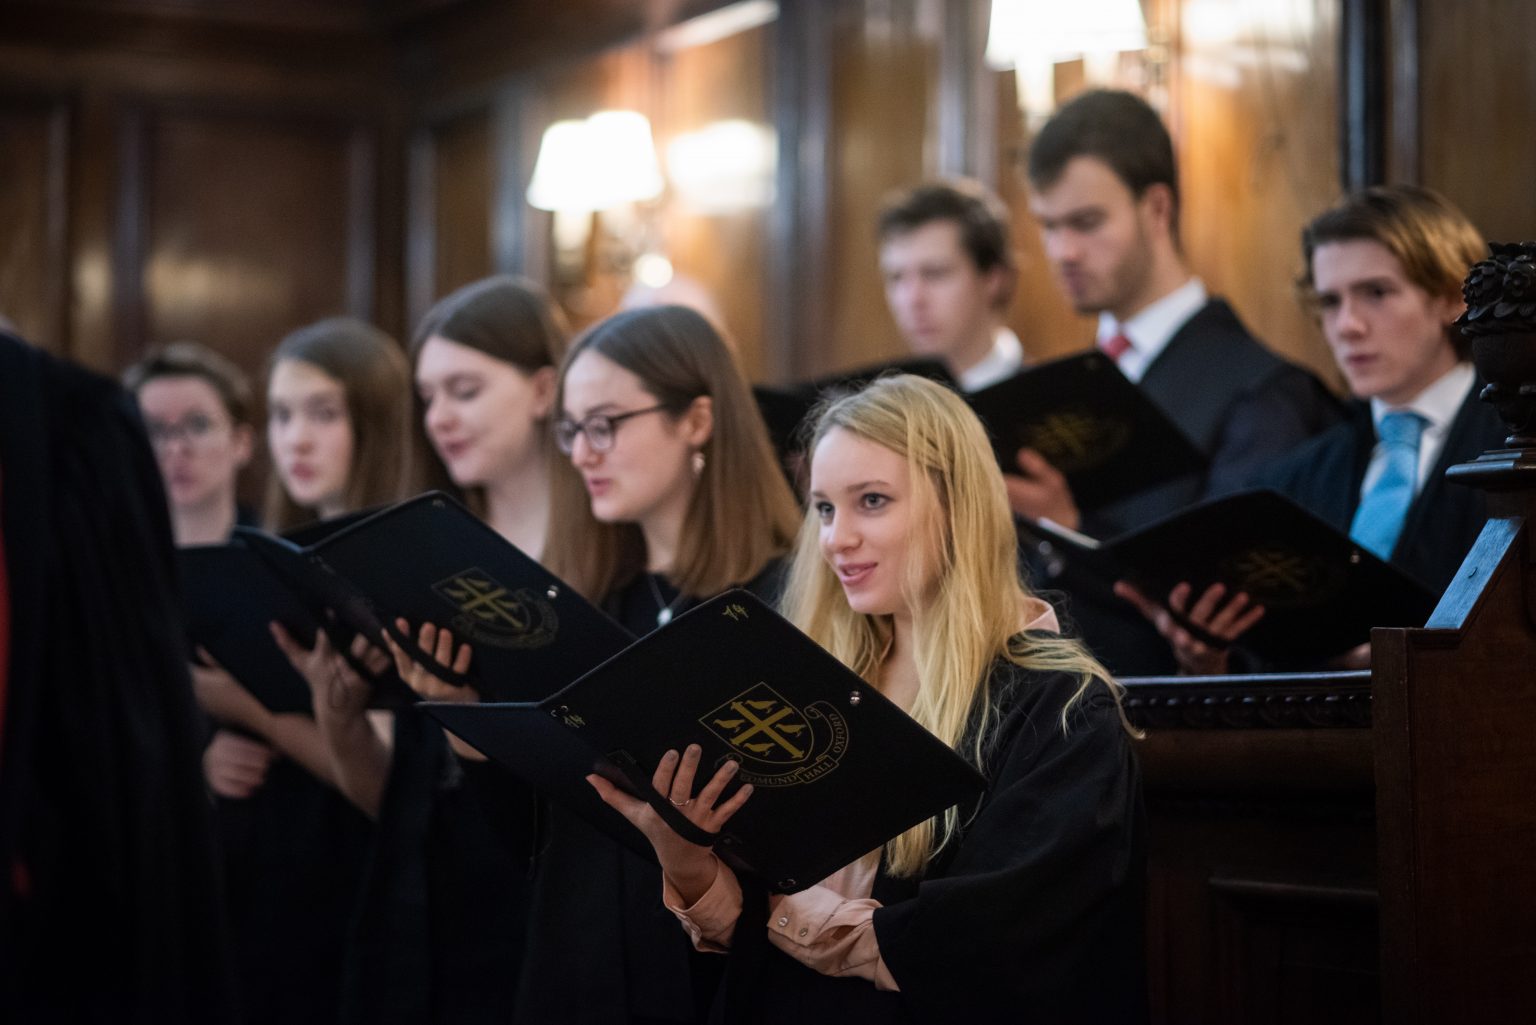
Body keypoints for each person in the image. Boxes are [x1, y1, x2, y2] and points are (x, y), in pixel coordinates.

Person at [592, 374, 1147, 1023]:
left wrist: (782, 914)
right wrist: (688, 862)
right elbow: (746, 937)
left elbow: (994, 945)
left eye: (873, 500)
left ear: (958, 505)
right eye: (824, 508)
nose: (837, 537)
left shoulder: (1060, 708)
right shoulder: (806, 686)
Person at [304, 277, 567, 1025]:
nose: (440, 417)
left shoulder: (595, 562)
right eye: (429, 396)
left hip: (536, 915)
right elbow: (401, 800)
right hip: (424, 907)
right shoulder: (425, 555)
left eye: (465, 390)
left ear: (544, 389)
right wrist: (341, 721)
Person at [1117, 185, 1505, 674]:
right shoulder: (1296, 476)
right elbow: (1265, 656)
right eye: (1329, 301)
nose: (1347, 325)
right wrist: (1209, 658)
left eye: (1376, 293)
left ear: (1452, 296)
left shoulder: (1517, 443)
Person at [1019, 89, 1340, 673]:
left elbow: (1235, 602)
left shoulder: (1261, 391)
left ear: (1157, 209)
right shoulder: (1064, 386)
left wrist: (1071, 527)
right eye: (1048, 226)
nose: (1063, 250)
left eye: (1086, 222)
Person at [0, 328, 237, 1023]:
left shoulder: (64, 431)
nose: (179, 447)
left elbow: (120, 764)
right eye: (164, 427)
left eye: (198, 425)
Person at [192, 315, 417, 1025]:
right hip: (269, 875)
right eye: (283, 414)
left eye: (324, 413)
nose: (297, 437)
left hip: (360, 885)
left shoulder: (401, 565)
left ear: (377, 423)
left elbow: (385, 785)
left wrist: (251, 709)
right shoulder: (264, 555)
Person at [877, 179, 1024, 392]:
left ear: (993, 278)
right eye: (896, 277)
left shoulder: (1052, 397)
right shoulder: (885, 410)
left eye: (935, 273)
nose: (912, 299)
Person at [123, 341, 256, 546]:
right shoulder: (102, 559)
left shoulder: (281, 555)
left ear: (241, 442)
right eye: (154, 430)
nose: (175, 448)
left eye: (198, 425)